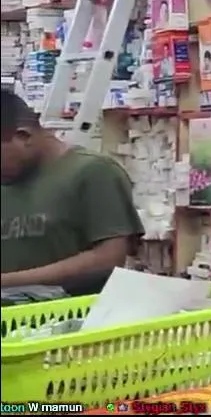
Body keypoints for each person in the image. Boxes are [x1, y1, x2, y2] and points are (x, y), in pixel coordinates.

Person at [0, 89, 144, 294]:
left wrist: (8, 282)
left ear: (24, 136)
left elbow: (108, 259)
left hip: (73, 310)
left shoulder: (93, 173)